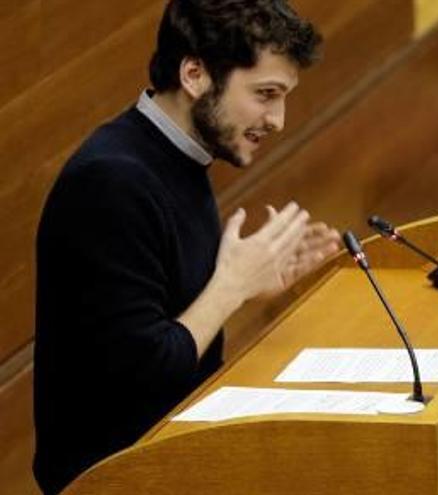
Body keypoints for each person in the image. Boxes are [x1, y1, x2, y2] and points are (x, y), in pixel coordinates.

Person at [32, 1, 341, 492]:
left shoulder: (177, 155)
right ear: (195, 73)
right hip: (115, 480)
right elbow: (144, 371)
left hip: (174, 456)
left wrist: (253, 284)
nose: (278, 119)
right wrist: (231, 285)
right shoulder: (111, 181)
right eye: (265, 94)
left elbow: (172, 329)